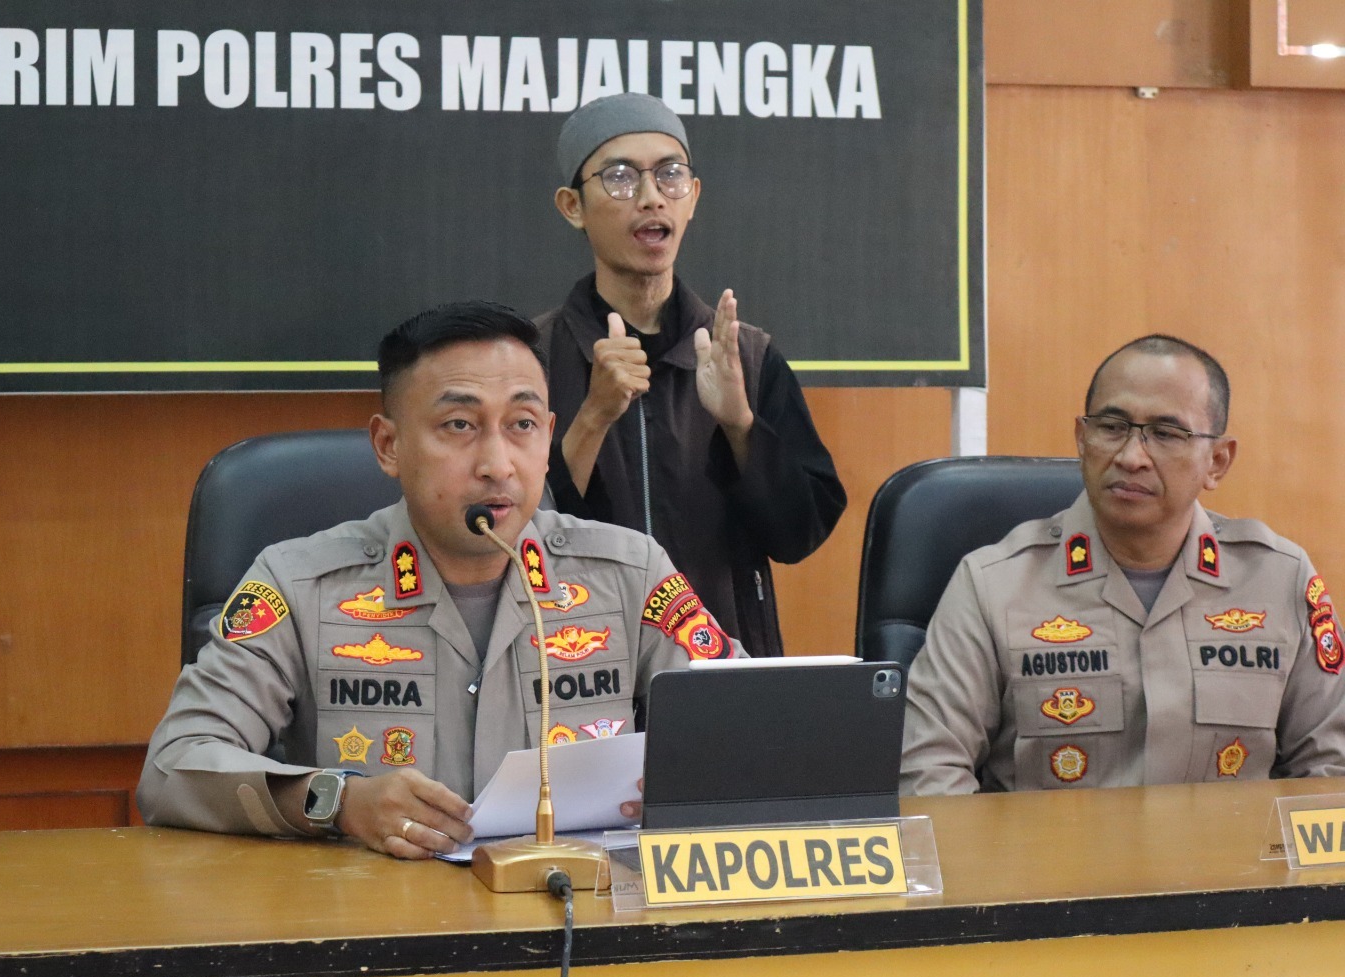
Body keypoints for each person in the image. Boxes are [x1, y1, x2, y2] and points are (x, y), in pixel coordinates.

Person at [137, 301, 740, 858]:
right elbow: (173, 767)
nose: (497, 465)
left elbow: (749, 720)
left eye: (523, 424)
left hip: (579, 915)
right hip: (380, 922)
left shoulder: (628, 575)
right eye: (459, 425)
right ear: (389, 445)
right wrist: (339, 802)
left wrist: (694, 779)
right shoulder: (299, 585)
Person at [901, 335, 1345, 794]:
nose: (1131, 457)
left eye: (1166, 434)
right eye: (1112, 427)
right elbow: (928, 771)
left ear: (1217, 461)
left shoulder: (1279, 580)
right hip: (1050, 846)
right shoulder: (993, 585)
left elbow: (1332, 770)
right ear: (1082, 438)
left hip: (1231, 845)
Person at [538, 92, 846, 657]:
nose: (651, 197)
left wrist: (741, 425)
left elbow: (799, 535)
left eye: (670, 175)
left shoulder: (747, 357)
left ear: (693, 197)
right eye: (621, 177)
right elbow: (509, 535)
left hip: (722, 668)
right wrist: (594, 417)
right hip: (575, 664)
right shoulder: (531, 360)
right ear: (572, 206)